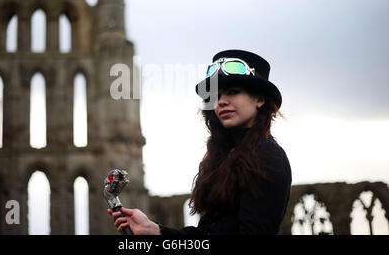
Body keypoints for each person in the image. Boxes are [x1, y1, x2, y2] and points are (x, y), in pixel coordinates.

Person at [108, 49, 292, 235]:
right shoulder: (222, 156)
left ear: (260, 99)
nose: (221, 102)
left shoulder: (267, 156)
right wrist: (155, 231)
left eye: (233, 92)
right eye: (216, 96)